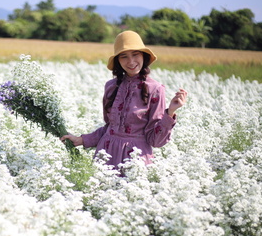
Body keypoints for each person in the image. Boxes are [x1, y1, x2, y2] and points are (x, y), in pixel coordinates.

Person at [60, 30, 187, 168]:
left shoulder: (155, 89)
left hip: (135, 160)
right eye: (124, 56)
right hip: (105, 155)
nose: (131, 61)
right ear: (118, 61)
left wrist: (170, 113)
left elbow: (155, 141)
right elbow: (110, 129)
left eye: (135, 54)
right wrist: (82, 140)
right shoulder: (111, 86)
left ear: (144, 56)